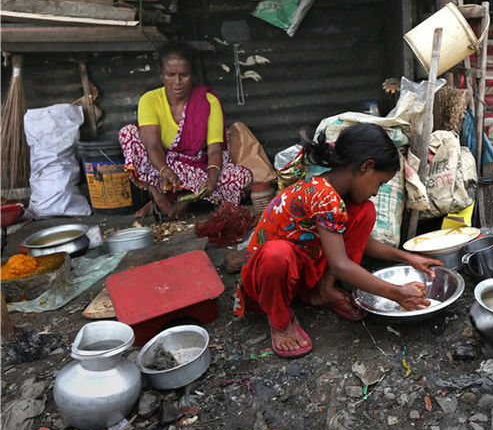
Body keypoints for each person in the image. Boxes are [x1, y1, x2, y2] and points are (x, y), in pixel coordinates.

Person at [234, 123, 443, 358]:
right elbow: (339, 264)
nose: (376, 192)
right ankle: (280, 321)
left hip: (301, 271)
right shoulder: (323, 196)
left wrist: (407, 257)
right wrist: (396, 293)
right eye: (379, 183)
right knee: (277, 254)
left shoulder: (335, 195)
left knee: (365, 211)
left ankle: (322, 291)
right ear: (366, 167)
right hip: (267, 281)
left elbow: (363, 243)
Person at [119, 42, 252, 219]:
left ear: (193, 75)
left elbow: (214, 150)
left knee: (241, 176)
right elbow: (152, 147)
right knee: (128, 133)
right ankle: (158, 198)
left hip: (198, 167)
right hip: (163, 168)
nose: (177, 82)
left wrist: (211, 180)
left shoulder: (208, 102)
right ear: (161, 74)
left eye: (184, 75)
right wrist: (165, 170)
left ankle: (187, 199)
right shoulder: (149, 100)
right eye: (170, 75)